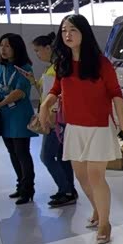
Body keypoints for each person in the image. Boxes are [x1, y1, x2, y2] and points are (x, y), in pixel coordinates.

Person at [39, 15, 123, 244]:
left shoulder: (101, 63)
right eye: (64, 30)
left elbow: (115, 93)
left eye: (73, 30)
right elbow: (56, 89)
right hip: (74, 127)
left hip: (99, 127)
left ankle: (105, 223)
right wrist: (45, 104)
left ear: (83, 33)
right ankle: (98, 209)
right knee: (81, 176)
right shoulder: (63, 63)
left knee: (96, 175)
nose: (67, 34)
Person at [25, 32, 78, 207]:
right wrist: (34, 82)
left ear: (48, 48)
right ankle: (68, 190)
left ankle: (66, 190)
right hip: (59, 117)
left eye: (38, 50)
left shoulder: (56, 69)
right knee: (62, 156)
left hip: (55, 119)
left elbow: (55, 96)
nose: (37, 54)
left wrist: (49, 115)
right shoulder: (53, 68)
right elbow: (46, 93)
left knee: (46, 156)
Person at [0, 33, 37, 204]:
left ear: (16, 48)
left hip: (19, 116)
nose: (3, 49)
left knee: (22, 152)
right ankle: (20, 185)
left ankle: (28, 189)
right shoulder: (1, 67)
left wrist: (1, 103)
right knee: (12, 152)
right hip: (4, 116)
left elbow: (20, 92)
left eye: (7, 46)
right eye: (1, 45)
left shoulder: (25, 68)